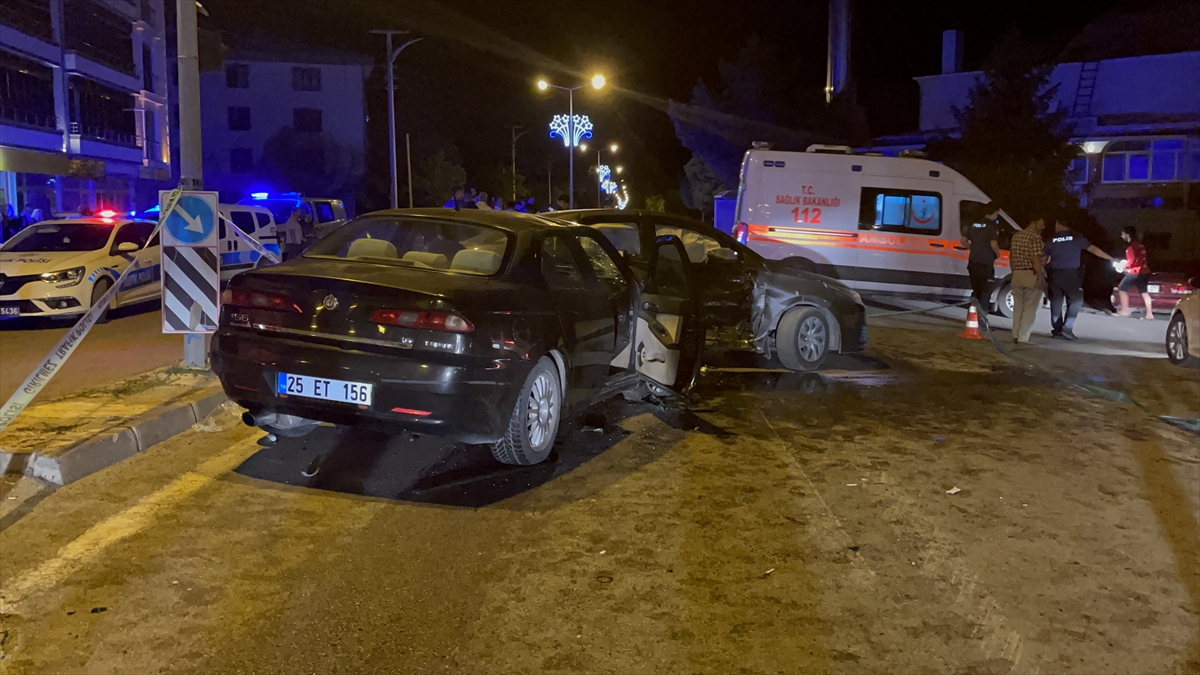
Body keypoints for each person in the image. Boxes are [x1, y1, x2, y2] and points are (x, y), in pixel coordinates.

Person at [1044, 216, 1116, 340]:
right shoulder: (1076, 237)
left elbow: (1043, 259)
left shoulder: (1051, 240)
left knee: (1056, 302)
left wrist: (1042, 272)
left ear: (1059, 224)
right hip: (1071, 275)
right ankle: (1067, 328)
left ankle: (1057, 330)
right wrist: (1110, 258)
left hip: (1054, 275)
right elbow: (1093, 249)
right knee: (1076, 301)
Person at [1008, 215, 1046, 344]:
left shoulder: (1016, 235)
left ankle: (1015, 334)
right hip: (1030, 274)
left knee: (1018, 306)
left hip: (1017, 274)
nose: (1043, 227)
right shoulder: (1035, 237)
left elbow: (1011, 256)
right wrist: (1040, 277)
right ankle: (1023, 337)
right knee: (1030, 308)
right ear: (1034, 222)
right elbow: (1036, 258)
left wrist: (1014, 272)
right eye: (1041, 224)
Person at [961, 201, 1001, 313]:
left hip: (973, 263)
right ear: (993, 212)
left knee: (976, 291)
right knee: (986, 292)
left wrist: (973, 248)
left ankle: (972, 317)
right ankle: (981, 319)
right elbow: (993, 243)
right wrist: (997, 254)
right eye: (997, 212)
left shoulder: (974, 224)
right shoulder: (992, 226)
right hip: (985, 265)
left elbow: (962, 240)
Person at [1116, 226, 1154, 320]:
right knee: (1144, 293)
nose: (1121, 236)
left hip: (1134, 272)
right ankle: (1149, 314)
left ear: (1127, 235)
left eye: (1123, 234)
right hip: (1144, 272)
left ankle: (1124, 311)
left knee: (1122, 288)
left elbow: (1131, 261)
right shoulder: (1141, 246)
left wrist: (1124, 267)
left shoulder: (1130, 247)